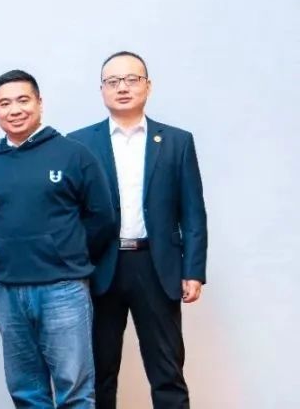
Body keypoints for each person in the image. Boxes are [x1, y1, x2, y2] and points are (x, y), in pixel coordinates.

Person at [68, 51, 208, 409]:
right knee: (97, 373)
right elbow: (70, 213)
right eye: (113, 81)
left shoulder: (176, 141)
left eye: (132, 79)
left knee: (167, 372)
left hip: (156, 266)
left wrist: (193, 270)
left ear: (148, 86)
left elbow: (193, 212)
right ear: (102, 89)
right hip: (100, 267)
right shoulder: (79, 143)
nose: (123, 88)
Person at [0, 69, 116, 408]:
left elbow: (102, 218)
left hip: (63, 288)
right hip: (10, 290)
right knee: (26, 391)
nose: (14, 110)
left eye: (23, 100)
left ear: (40, 103)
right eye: (5, 103)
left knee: (74, 391)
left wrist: (66, 251)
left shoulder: (73, 154)